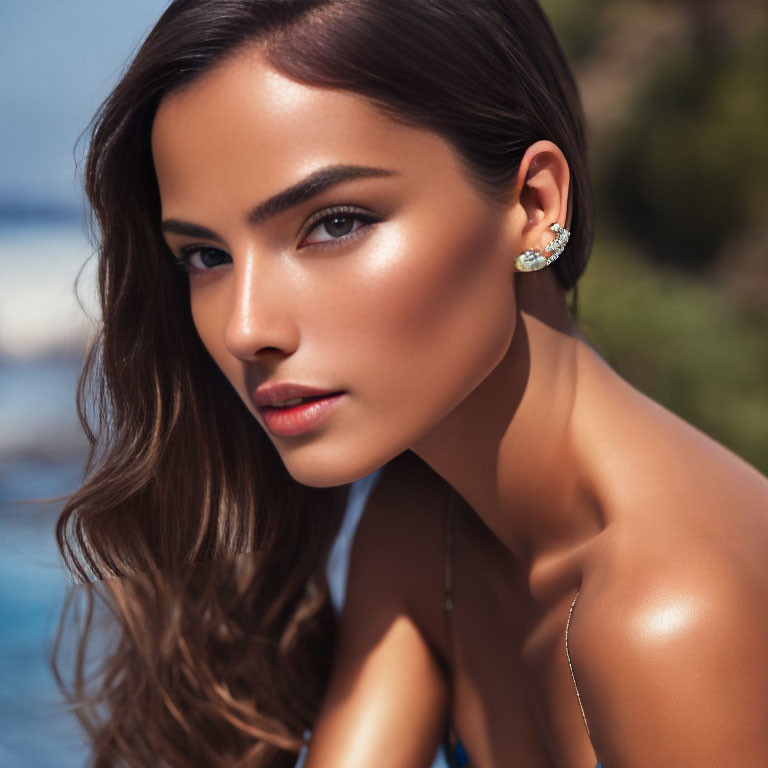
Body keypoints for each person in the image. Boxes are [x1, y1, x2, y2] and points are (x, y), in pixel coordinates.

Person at [56, 0, 768, 766]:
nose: (244, 327)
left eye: (333, 224)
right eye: (206, 256)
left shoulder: (675, 616)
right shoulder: (431, 529)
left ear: (534, 207)